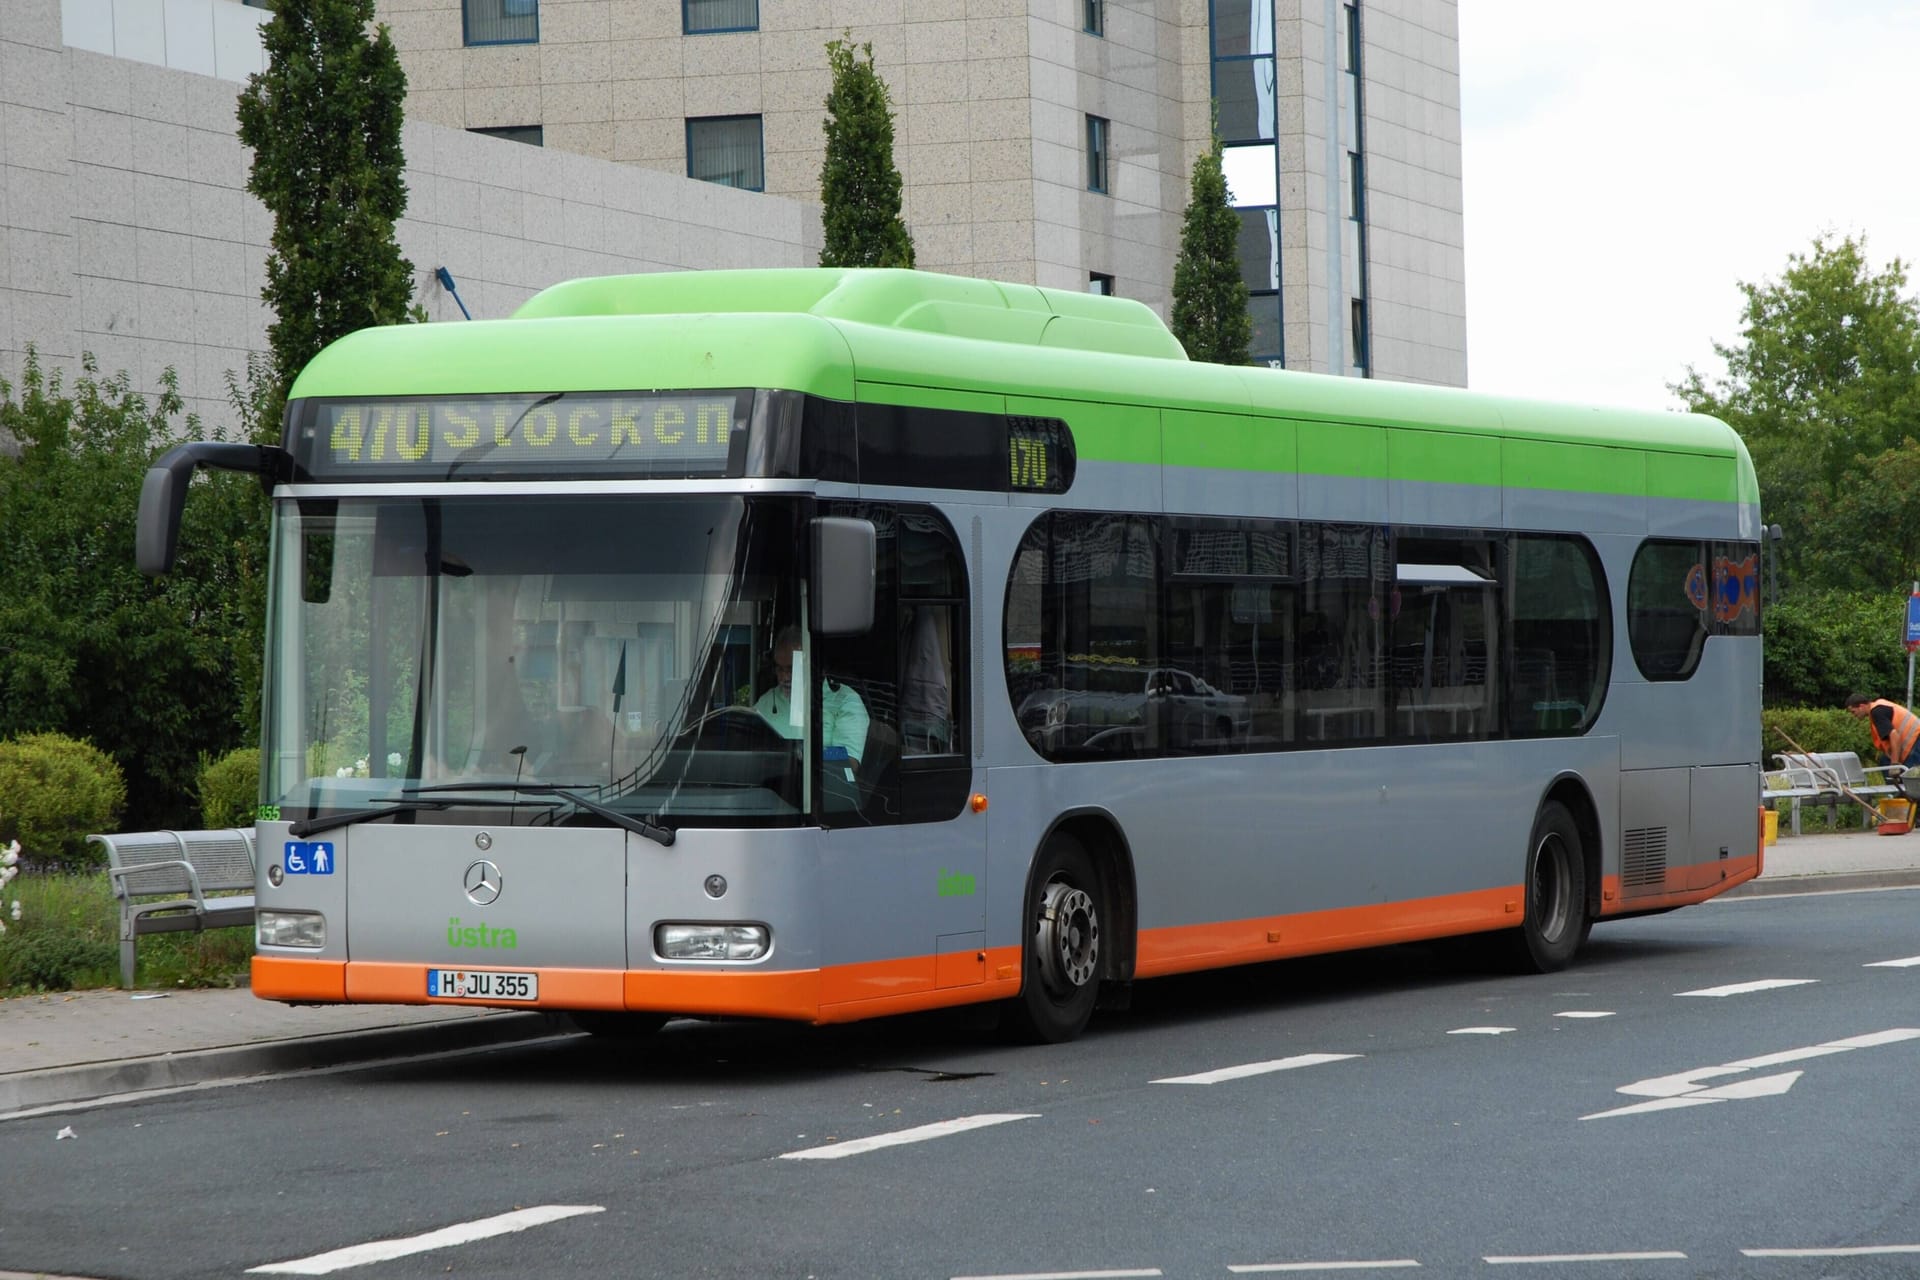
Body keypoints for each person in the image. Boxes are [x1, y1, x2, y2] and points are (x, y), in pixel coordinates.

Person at [754, 625, 869, 768]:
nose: (784, 677)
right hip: (774, 786)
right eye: (779, 669)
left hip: (820, 788)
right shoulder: (766, 701)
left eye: (792, 669)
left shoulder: (846, 701)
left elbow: (847, 765)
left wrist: (797, 756)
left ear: (813, 666)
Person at [1844, 691, 1920, 770]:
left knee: (1913, 780)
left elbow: (1894, 735)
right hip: (1914, 742)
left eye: (1853, 712)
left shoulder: (1877, 712)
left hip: (1915, 744)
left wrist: (1894, 764)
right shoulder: (1880, 706)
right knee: (1884, 761)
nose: (1854, 715)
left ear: (1861, 706)